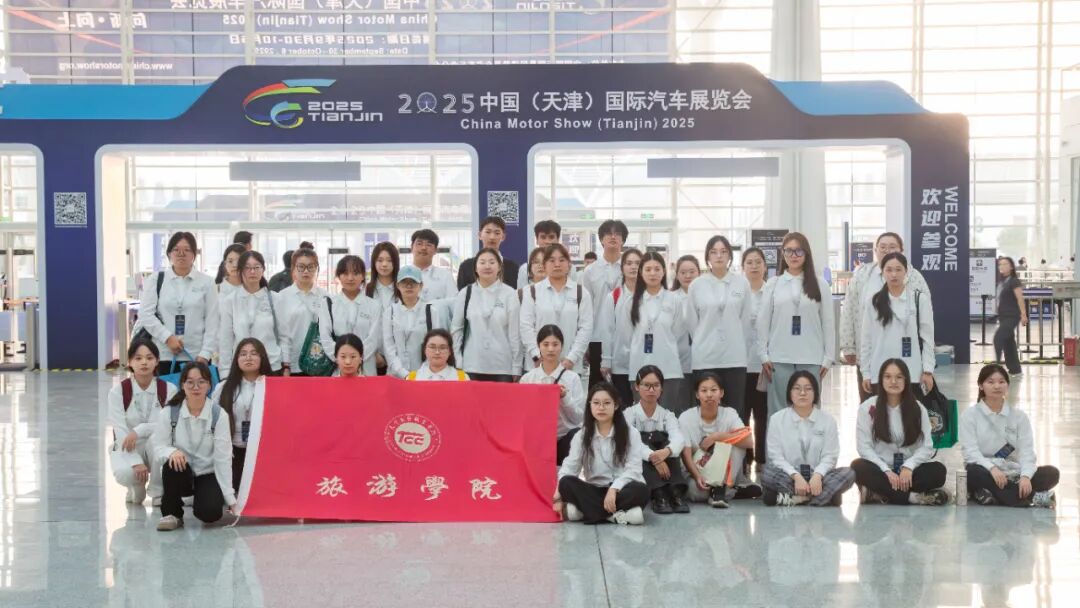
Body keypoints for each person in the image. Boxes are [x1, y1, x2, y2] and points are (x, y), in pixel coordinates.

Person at [840, 232, 930, 402]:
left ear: (901, 250)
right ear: (875, 250)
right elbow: (849, 309)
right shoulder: (862, 275)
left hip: (908, 356)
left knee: (907, 405)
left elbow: (926, 321)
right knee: (871, 404)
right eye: (882, 247)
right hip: (871, 354)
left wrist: (927, 366)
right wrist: (848, 346)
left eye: (892, 247)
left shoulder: (915, 277)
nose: (887, 251)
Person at [851, 359, 949, 506]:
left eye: (899, 377)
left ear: (906, 380)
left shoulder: (918, 408)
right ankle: (912, 497)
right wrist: (886, 470)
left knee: (939, 471)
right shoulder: (867, 407)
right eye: (888, 377)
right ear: (881, 380)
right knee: (857, 467)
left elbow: (928, 446)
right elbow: (864, 447)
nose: (893, 381)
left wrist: (909, 466)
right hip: (881, 469)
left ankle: (881, 493)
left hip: (909, 472)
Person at [960, 364, 1058, 508]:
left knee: (1051, 473)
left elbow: (1026, 451)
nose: (997, 386)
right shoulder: (969, 415)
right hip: (984, 469)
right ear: (980, 385)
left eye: (1001, 382)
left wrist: (1025, 476)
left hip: (1013, 471)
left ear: (1007, 385)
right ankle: (1031, 497)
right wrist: (992, 469)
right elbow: (970, 452)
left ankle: (990, 494)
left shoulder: (1019, 416)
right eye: (990, 382)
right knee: (973, 473)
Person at [759, 232, 835, 418]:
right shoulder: (773, 284)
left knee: (809, 411)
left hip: (811, 357)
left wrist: (828, 357)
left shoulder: (820, 284)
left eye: (799, 251)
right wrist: (763, 354)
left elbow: (828, 323)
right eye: (789, 251)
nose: (794, 255)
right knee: (779, 412)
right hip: (779, 358)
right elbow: (763, 322)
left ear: (806, 254)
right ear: (783, 254)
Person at [152, 362, 234, 531]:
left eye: (201, 382)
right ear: (182, 384)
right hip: (181, 470)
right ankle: (172, 514)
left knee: (210, 514)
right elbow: (158, 446)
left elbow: (223, 458)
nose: (196, 387)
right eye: (190, 382)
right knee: (171, 464)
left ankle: (201, 497)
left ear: (209, 385)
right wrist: (171, 452)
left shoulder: (218, 415)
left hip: (207, 472)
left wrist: (230, 497)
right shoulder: (169, 412)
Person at [553, 381, 649, 525]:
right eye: (596, 403)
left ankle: (586, 512)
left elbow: (634, 469)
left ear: (616, 405)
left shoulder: (631, 433)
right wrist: (559, 495)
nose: (601, 407)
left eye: (606, 403)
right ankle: (613, 516)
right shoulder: (581, 435)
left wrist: (614, 488)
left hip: (622, 490)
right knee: (566, 482)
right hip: (593, 489)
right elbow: (569, 468)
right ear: (590, 405)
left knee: (641, 490)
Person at [606, 252, 685, 411]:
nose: (652, 273)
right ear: (641, 272)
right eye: (648, 269)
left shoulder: (674, 300)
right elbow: (626, 338)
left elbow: (679, 335)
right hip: (639, 368)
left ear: (664, 271)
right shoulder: (631, 301)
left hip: (669, 370)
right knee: (642, 418)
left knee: (668, 417)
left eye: (657, 269)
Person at [762, 371, 855, 507]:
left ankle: (795, 498)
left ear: (815, 392)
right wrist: (796, 476)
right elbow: (776, 457)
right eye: (797, 388)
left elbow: (830, 456)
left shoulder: (828, 420)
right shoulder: (777, 419)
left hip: (818, 476)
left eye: (808, 388)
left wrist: (817, 475)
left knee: (849, 473)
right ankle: (822, 497)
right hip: (789, 475)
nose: (802, 393)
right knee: (767, 472)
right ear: (789, 392)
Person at [685, 235, 752, 420]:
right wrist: (705, 340)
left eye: (723, 251)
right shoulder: (697, 285)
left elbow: (745, 323)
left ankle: (734, 442)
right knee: (706, 412)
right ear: (708, 256)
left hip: (734, 358)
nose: (719, 256)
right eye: (714, 252)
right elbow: (692, 323)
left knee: (735, 412)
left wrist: (733, 339)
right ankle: (707, 441)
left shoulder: (742, 283)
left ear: (730, 255)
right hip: (705, 358)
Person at [136, 232, 218, 375]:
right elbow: (145, 314)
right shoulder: (156, 279)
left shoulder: (207, 282)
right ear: (169, 254)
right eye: (176, 249)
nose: (181, 254)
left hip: (197, 356)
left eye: (187, 250)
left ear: (194, 255)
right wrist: (167, 338)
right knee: (165, 390)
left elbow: (213, 321)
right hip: (163, 354)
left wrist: (205, 353)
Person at [109, 340, 178, 506]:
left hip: (157, 446)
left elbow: (168, 426)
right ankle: (135, 484)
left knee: (157, 441)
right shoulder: (118, 392)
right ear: (130, 362)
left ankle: (157, 491)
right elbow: (120, 430)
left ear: (157, 361)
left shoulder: (169, 389)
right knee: (126, 473)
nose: (144, 362)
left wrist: (140, 430)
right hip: (128, 446)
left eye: (149, 357)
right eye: (138, 358)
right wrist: (135, 462)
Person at [858, 252, 936, 395]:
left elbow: (928, 339)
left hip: (913, 372)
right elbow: (866, 340)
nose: (894, 274)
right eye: (889, 270)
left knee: (911, 409)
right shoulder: (874, 302)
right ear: (882, 272)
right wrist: (866, 373)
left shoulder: (919, 300)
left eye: (898, 269)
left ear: (906, 271)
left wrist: (928, 370)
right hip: (880, 372)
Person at [679, 372, 758, 508]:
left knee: (738, 443)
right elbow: (685, 454)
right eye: (704, 390)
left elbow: (749, 441)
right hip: (698, 471)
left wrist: (717, 437)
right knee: (694, 492)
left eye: (714, 390)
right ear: (697, 394)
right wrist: (697, 476)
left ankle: (720, 488)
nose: (709, 394)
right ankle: (731, 491)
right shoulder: (686, 418)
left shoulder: (729, 413)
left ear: (721, 393)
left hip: (725, 473)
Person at [519, 244, 594, 385]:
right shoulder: (532, 292)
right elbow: (526, 326)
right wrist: (537, 355)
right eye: (552, 260)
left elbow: (585, 328)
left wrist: (571, 358)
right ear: (545, 265)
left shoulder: (581, 293)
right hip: (537, 367)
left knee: (569, 399)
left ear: (569, 264)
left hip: (570, 367)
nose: (557, 264)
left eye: (562, 260)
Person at [624, 366, 690, 515]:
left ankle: (675, 492)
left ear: (661, 388)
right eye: (646, 385)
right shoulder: (628, 414)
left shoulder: (667, 415)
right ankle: (659, 494)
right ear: (637, 387)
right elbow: (630, 443)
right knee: (641, 442)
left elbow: (679, 439)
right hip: (641, 462)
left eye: (656, 385)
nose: (651, 390)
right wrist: (654, 458)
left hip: (663, 457)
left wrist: (666, 452)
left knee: (669, 444)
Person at [451, 248, 521, 382]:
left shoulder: (510, 294)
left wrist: (517, 366)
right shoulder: (465, 293)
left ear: (499, 267)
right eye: (482, 262)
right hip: (471, 364)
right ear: (476, 268)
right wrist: (458, 359)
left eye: (492, 262)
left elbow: (515, 334)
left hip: (502, 366)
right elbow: (456, 329)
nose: (487, 266)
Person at [217, 250, 291, 378]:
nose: (252, 271)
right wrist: (225, 372)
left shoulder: (275, 299)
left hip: (272, 365)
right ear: (240, 271)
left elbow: (284, 336)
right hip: (241, 367)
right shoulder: (230, 300)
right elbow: (226, 340)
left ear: (263, 270)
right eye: (247, 268)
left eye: (257, 267)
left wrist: (286, 365)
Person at [210, 338, 270, 492]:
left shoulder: (272, 385)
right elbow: (213, 421)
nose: (248, 357)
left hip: (263, 451)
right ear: (236, 359)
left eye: (254, 353)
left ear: (262, 357)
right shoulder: (223, 387)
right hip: (232, 450)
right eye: (243, 354)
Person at [519, 325, 585, 465]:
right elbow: (521, 416)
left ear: (561, 346)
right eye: (546, 344)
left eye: (555, 344)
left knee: (577, 435)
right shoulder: (527, 379)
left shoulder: (572, 378)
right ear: (539, 346)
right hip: (537, 440)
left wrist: (565, 398)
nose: (550, 349)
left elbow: (578, 418)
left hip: (563, 438)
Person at [582, 220, 629, 390]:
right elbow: (586, 309)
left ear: (623, 240)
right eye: (608, 233)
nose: (613, 237)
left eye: (618, 234)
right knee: (598, 386)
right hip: (598, 336)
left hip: (625, 334)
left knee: (624, 384)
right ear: (601, 239)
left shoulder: (630, 268)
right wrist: (585, 341)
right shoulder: (590, 271)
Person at [382, 265, 448, 378]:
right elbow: (389, 348)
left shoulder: (431, 311)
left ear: (421, 285)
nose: (409, 286)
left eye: (413, 282)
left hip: (424, 375)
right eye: (404, 282)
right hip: (395, 375)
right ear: (398, 285)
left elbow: (435, 345)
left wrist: (420, 374)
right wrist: (403, 373)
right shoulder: (390, 312)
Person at [320, 255, 382, 377]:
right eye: (345, 273)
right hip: (337, 370)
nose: (350, 278)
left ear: (363, 276)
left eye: (355, 273)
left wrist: (356, 359)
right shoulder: (328, 304)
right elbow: (325, 338)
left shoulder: (374, 305)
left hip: (366, 369)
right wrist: (342, 359)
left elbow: (373, 339)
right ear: (339, 276)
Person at [598, 247, 643, 404]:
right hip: (620, 363)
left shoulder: (650, 296)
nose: (633, 267)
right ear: (622, 268)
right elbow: (607, 331)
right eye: (629, 263)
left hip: (646, 362)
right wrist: (606, 361)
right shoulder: (614, 297)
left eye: (637, 263)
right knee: (623, 407)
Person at [279, 248, 330, 377]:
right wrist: (286, 364)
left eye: (310, 267)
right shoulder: (282, 297)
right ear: (293, 269)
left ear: (316, 268)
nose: (306, 271)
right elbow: (281, 335)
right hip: (292, 363)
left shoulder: (326, 297)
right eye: (301, 267)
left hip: (319, 363)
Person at [741, 247, 769, 471]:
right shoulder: (738, 293)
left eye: (758, 262)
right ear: (743, 267)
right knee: (742, 413)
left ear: (765, 266)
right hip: (740, 363)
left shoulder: (771, 292)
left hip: (764, 365)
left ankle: (761, 458)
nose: (754, 266)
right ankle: (745, 458)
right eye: (749, 262)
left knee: (762, 414)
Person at [671, 254, 700, 413]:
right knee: (681, 410)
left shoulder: (707, 298)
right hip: (678, 363)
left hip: (704, 361)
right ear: (677, 275)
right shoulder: (671, 298)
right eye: (683, 272)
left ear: (699, 273)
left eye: (692, 272)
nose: (687, 276)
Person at [456, 216, 519, 289]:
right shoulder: (466, 267)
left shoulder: (513, 268)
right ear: (480, 235)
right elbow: (462, 294)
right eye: (488, 232)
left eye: (497, 233)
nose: (492, 237)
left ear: (503, 237)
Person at [516, 220, 577, 287]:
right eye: (543, 237)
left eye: (551, 237)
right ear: (537, 240)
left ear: (558, 239)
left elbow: (574, 291)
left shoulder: (570, 268)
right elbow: (521, 292)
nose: (547, 241)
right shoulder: (525, 269)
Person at [994, 257, 1027, 376]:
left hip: (1012, 315)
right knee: (1009, 342)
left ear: (1011, 267)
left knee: (998, 338)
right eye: (1000, 264)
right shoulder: (1001, 282)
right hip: (1003, 316)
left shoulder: (1014, 281)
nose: (1002, 266)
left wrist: (1023, 315)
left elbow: (1020, 298)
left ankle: (996, 367)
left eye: (1005, 264)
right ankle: (1015, 369)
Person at [410, 229, 456, 301]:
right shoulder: (401, 275)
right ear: (411, 248)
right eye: (419, 244)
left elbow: (453, 302)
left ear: (435, 250)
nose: (423, 248)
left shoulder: (445, 276)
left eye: (429, 245)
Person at [366, 241, 401, 308]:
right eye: (380, 260)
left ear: (396, 262)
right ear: (374, 263)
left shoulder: (402, 289)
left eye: (389, 260)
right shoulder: (366, 290)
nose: (384, 264)